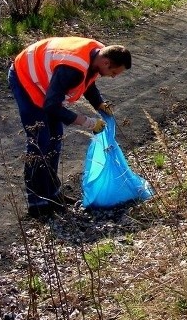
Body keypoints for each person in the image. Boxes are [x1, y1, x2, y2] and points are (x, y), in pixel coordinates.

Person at [8, 37, 132, 218]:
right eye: (114, 72)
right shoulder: (73, 68)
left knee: (55, 138)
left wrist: (99, 104)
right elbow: (51, 105)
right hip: (25, 78)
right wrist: (87, 122)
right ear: (106, 62)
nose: (113, 77)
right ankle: (37, 204)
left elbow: (87, 82)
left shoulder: (97, 56)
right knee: (40, 142)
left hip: (47, 83)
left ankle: (53, 194)